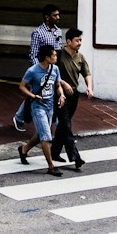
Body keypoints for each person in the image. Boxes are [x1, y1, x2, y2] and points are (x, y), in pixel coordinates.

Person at [17, 44, 66, 176]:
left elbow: (57, 85)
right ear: (47, 57)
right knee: (46, 136)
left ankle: (24, 150)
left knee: (40, 134)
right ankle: (51, 166)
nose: (56, 57)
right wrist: (33, 96)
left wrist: (61, 95)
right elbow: (22, 86)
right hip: (37, 106)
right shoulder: (33, 71)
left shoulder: (55, 69)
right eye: (54, 55)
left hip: (50, 106)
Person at [51, 28, 93, 171]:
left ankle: (54, 152)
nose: (79, 43)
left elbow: (87, 73)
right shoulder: (59, 55)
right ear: (68, 41)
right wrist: (63, 83)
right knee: (66, 125)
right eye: (77, 40)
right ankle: (75, 157)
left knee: (63, 125)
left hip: (73, 95)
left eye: (80, 40)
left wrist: (89, 87)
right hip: (59, 94)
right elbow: (52, 73)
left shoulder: (80, 57)